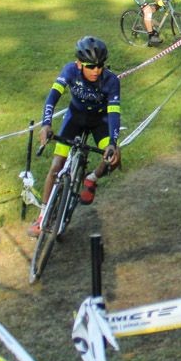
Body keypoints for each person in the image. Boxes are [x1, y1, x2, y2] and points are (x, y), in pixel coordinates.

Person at [28, 36, 123, 237]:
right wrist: (46, 125)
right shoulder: (70, 71)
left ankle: (91, 178)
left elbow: (114, 112)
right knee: (56, 167)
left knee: (114, 160)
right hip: (75, 118)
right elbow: (52, 97)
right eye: (90, 66)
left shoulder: (111, 81)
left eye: (100, 66)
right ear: (80, 64)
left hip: (101, 122)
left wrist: (113, 144)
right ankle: (42, 216)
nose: (96, 71)